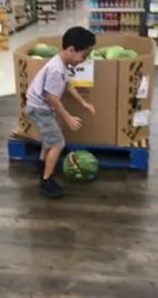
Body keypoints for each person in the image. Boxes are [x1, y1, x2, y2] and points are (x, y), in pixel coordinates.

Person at [25, 27, 96, 198]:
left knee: (49, 138)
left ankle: (42, 164)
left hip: (40, 107)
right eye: (83, 56)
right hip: (39, 108)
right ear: (71, 50)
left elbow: (68, 85)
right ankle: (46, 181)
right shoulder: (56, 69)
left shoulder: (61, 63)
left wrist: (83, 103)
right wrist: (68, 117)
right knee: (57, 143)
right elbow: (51, 97)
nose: (83, 60)